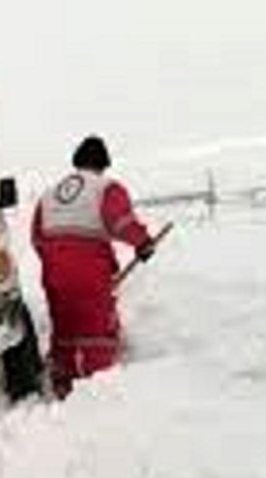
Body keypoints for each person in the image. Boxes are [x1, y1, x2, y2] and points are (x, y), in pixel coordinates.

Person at [30, 136, 157, 399]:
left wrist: (56, 264)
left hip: (54, 273)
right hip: (88, 274)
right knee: (95, 330)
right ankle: (98, 391)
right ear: (103, 164)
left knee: (65, 328)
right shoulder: (106, 188)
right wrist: (142, 243)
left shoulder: (49, 194)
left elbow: (37, 237)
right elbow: (120, 222)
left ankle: (61, 385)